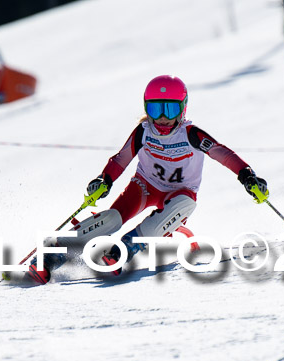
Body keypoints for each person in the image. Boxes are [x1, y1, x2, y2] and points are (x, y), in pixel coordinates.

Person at [25, 75, 268, 285]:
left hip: (179, 194)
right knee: (111, 219)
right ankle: (52, 253)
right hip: (144, 186)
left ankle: (126, 247)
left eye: (170, 110)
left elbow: (222, 154)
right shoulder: (144, 131)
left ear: (182, 109)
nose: (162, 118)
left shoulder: (191, 134)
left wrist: (248, 176)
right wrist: (104, 180)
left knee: (187, 204)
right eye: (155, 109)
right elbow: (121, 159)